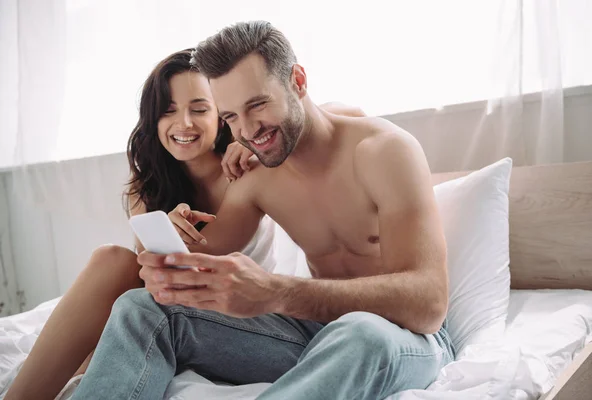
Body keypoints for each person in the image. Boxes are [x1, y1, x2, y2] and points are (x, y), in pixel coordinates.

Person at [70, 21, 455, 400]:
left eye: (257, 105)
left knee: (361, 332)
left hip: (402, 338)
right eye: (231, 117)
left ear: (298, 81)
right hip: (313, 334)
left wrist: (278, 293)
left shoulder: (385, 152)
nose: (248, 130)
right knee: (142, 309)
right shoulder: (257, 172)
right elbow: (197, 264)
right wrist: (171, 251)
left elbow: (429, 303)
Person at [4, 48, 364, 400]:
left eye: (199, 109)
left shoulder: (247, 167)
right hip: (174, 303)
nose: (184, 124)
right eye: (169, 111)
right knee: (113, 259)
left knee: (120, 278)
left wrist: (251, 144)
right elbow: (147, 281)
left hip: (236, 317)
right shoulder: (149, 185)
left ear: (222, 116)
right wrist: (165, 233)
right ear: (153, 119)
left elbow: (343, 114)